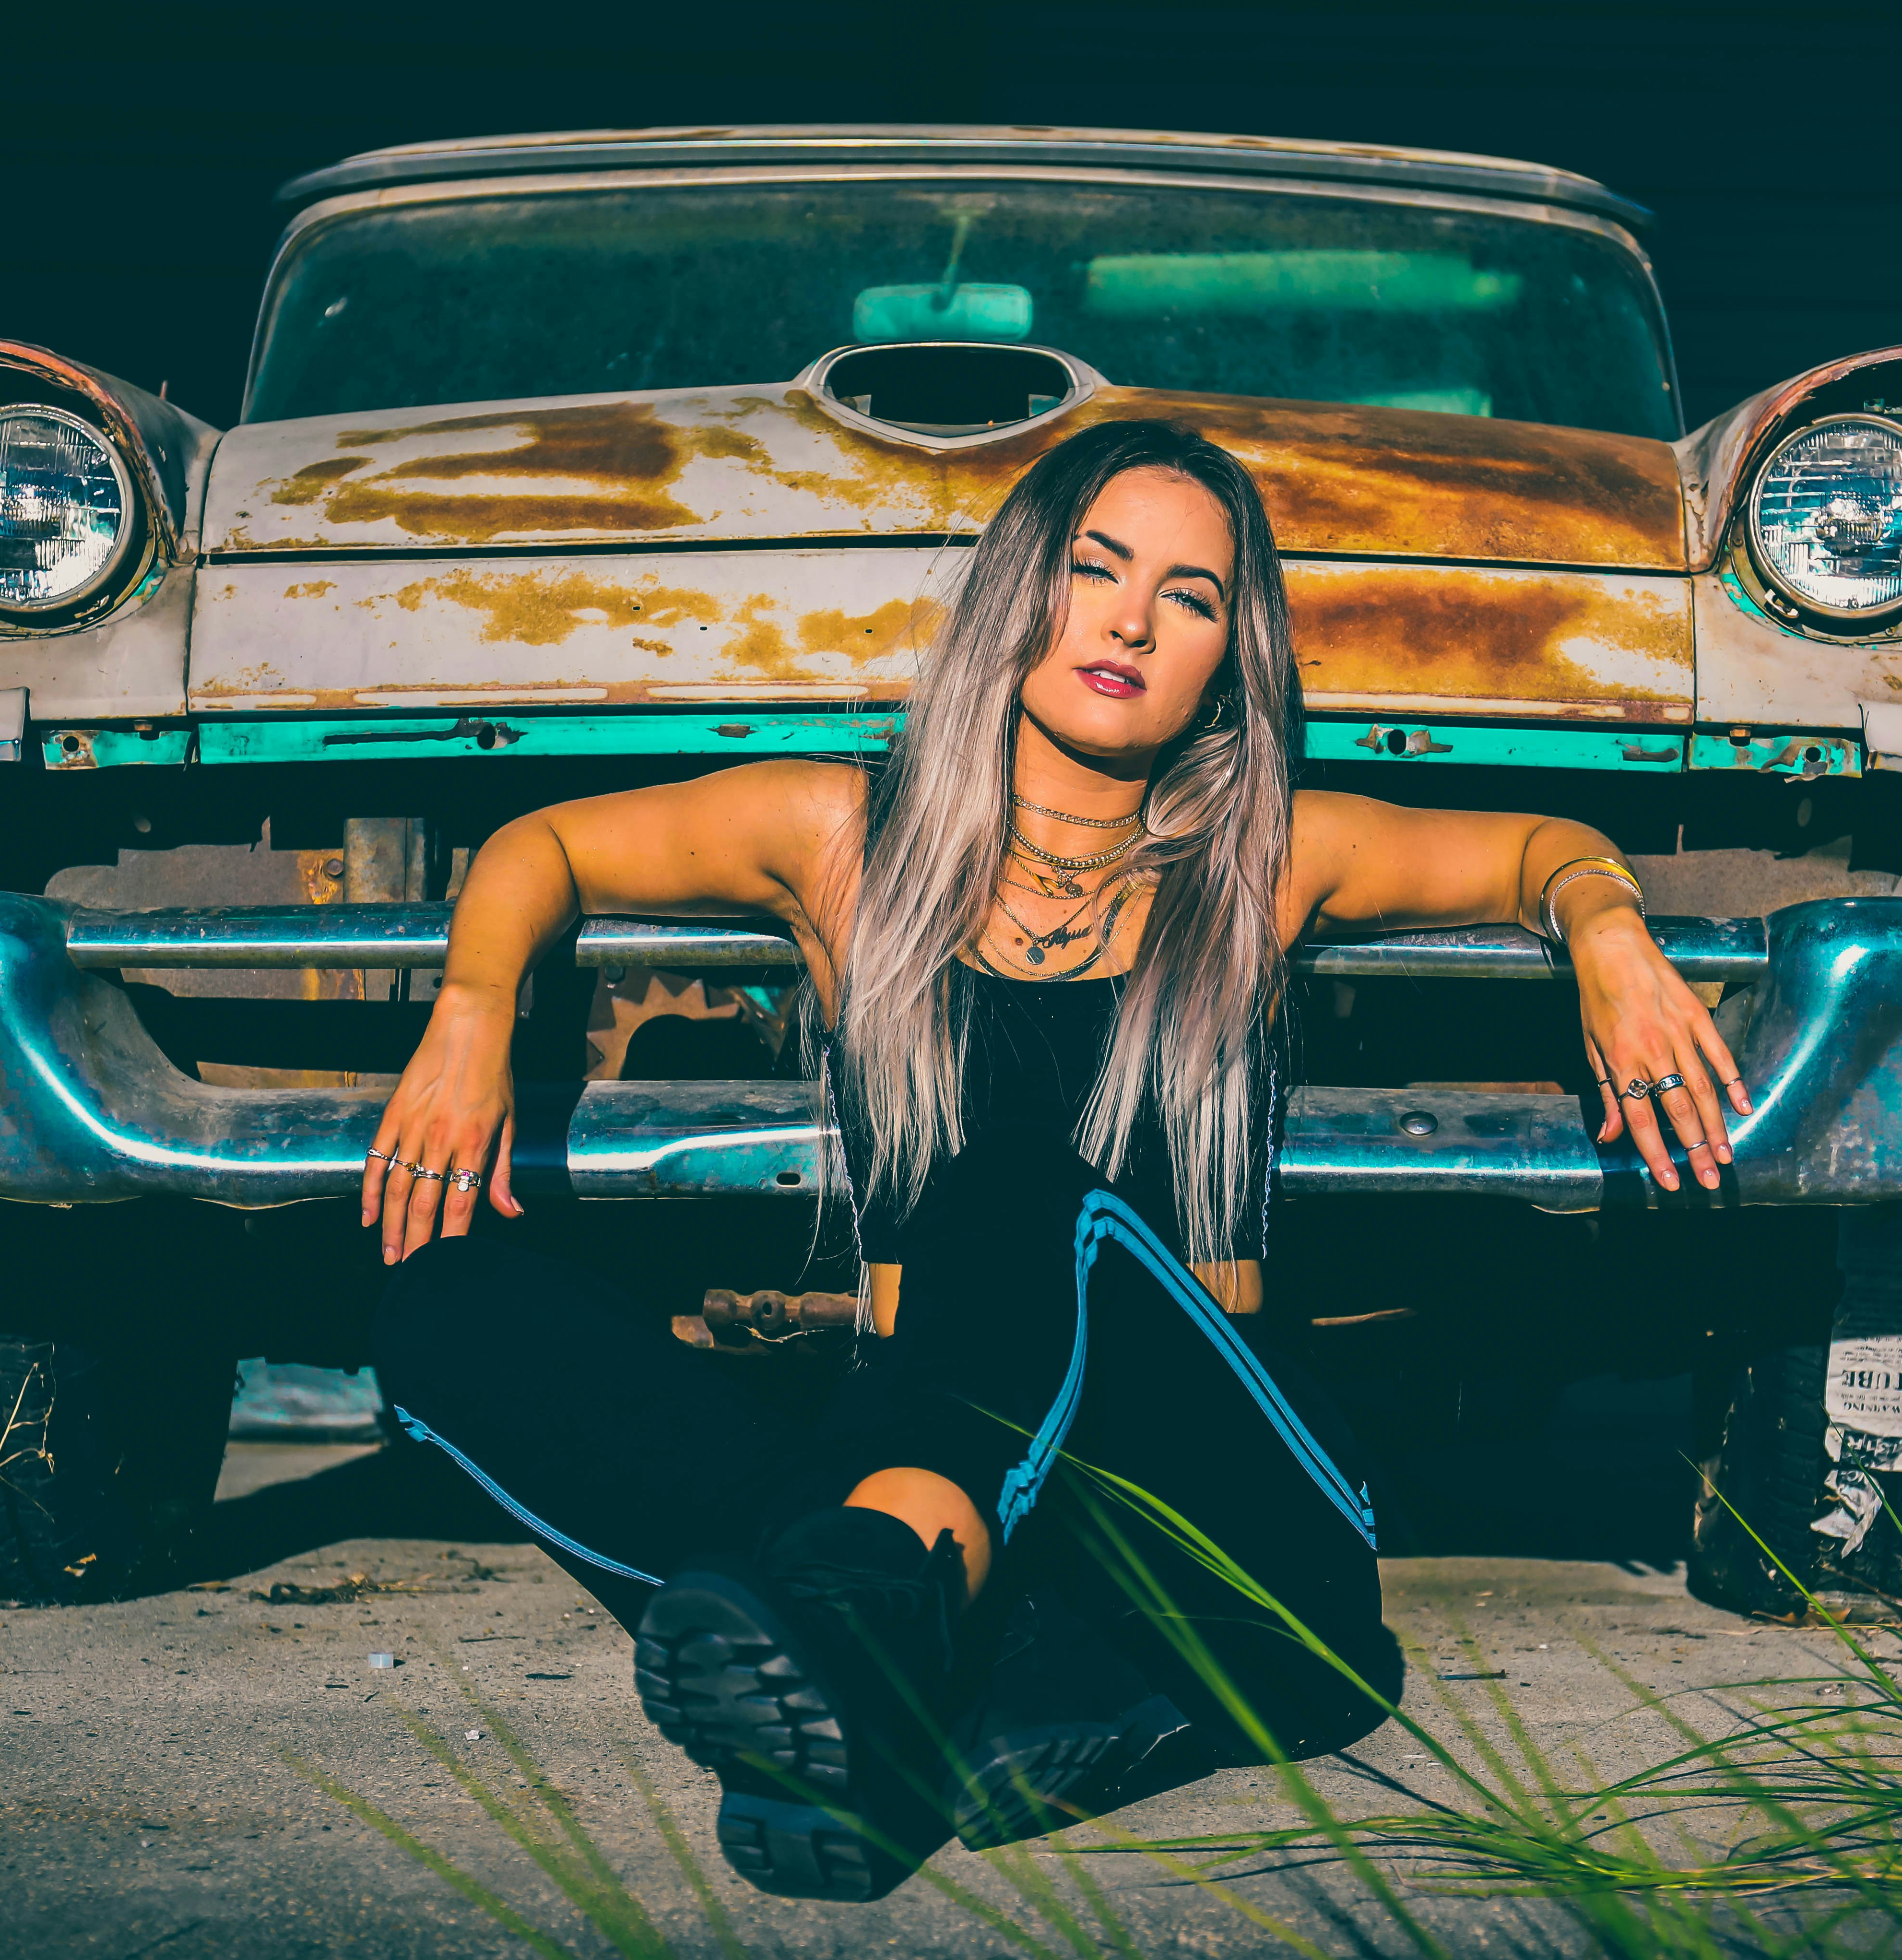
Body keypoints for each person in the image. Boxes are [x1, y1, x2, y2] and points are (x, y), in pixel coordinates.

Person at [362, 419, 1746, 1901]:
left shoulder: (1267, 857)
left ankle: (890, 1629)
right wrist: (468, 1020)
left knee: (1015, 1182)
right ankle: (896, 1682)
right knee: (438, 1302)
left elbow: (1544, 844)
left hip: (1219, 1516)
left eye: (1192, 597)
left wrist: (1607, 936)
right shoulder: (841, 834)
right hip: (908, 1447)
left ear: (1231, 656)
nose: (1132, 621)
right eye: (1096, 568)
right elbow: (540, 847)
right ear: (1023, 588)